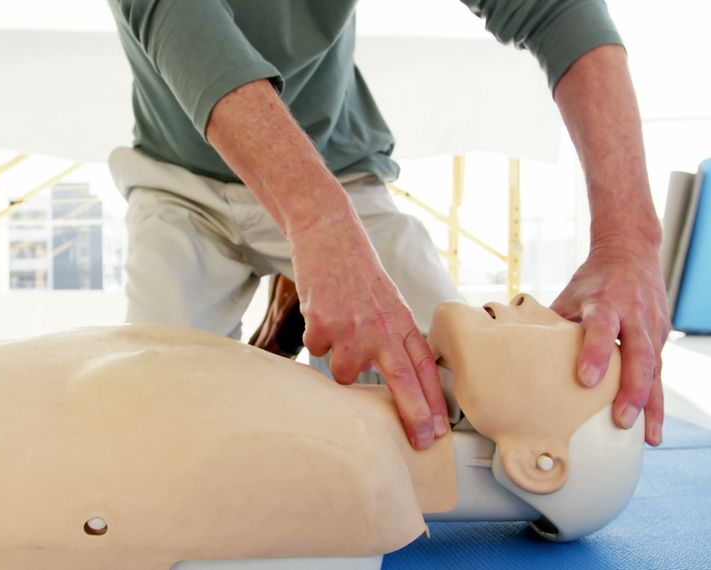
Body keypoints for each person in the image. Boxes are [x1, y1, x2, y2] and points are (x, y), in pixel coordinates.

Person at [105, 0, 668, 452]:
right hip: (178, 183)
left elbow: (555, 10)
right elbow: (183, 25)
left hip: (337, 173)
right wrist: (318, 229)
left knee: (446, 390)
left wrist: (628, 242)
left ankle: (297, 295)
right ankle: (295, 290)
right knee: (154, 419)